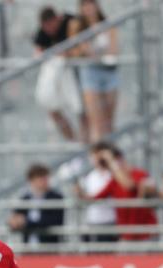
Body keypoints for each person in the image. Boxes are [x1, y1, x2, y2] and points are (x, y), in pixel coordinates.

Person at [33, 5, 85, 142]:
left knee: (82, 109)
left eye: (51, 26)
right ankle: (73, 140)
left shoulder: (71, 22)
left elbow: (79, 47)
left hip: (78, 73)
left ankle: (85, 141)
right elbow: (38, 51)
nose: (49, 30)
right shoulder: (43, 32)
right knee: (52, 107)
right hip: (58, 74)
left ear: (56, 19)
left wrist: (64, 53)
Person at [70, 0, 118, 142]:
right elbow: (75, 50)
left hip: (108, 72)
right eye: (84, 5)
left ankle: (109, 149)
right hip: (90, 72)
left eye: (90, 4)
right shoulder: (78, 26)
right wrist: (85, 49)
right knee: (95, 120)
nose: (88, 8)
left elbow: (114, 50)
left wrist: (96, 52)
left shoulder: (107, 25)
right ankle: (97, 150)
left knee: (108, 120)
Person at [91, 144, 154, 241]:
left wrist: (111, 161)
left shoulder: (139, 173)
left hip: (145, 233)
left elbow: (129, 186)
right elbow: (95, 198)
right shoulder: (113, 181)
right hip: (126, 234)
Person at [8, 163, 65, 244]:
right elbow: (16, 218)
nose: (44, 181)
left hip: (49, 246)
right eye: (40, 178)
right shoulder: (25, 198)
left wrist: (26, 221)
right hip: (28, 246)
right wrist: (14, 221)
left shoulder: (56, 197)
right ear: (31, 180)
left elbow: (53, 221)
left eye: (45, 177)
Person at [75, 140, 116, 243]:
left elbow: (99, 196)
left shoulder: (113, 174)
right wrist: (79, 193)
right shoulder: (90, 176)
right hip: (92, 221)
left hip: (109, 221)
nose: (95, 158)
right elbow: (86, 199)